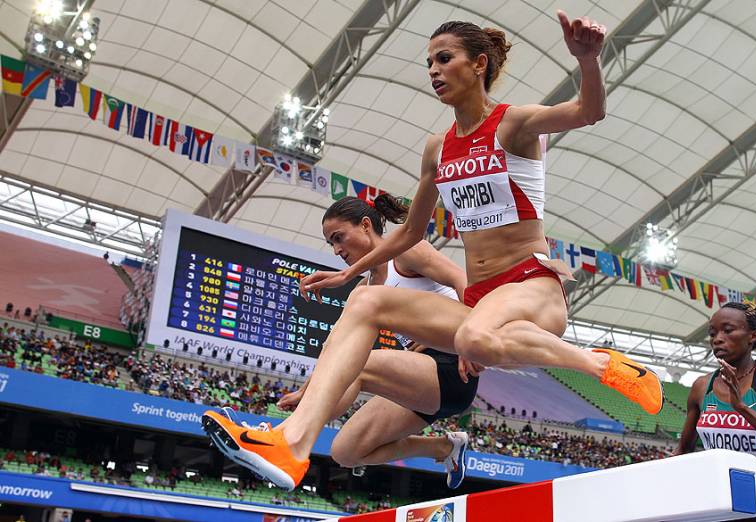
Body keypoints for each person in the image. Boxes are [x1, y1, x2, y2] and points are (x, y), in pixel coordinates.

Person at [203, 9, 662, 491]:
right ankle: (290, 446)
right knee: (367, 302)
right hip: (480, 301)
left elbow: (589, 112)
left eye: (445, 59)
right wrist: (348, 275)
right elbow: (406, 234)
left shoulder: (515, 124)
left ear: (479, 64)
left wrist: (588, 61)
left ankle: (601, 363)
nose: (434, 71)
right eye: (429, 63)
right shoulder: (436, 149)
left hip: (532, 285)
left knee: (471, 340)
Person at [207, 196, 477, 489]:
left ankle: (287, 441)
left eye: (339, 238)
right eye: (331, 244)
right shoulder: (366, 288)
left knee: (359, 367)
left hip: (454, 369)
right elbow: (337, 348)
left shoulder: (406, 250)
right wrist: (307, 391)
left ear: (364, 226)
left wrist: (470, 342)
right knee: (347, 452)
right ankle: (444, 448)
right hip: (421, 382)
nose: (337, 250)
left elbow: (463, 282)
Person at [675, 303, 756, 521]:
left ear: (752, 336)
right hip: (719, 497)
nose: (717, 338)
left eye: (727, 330)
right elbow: (683, 450)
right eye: (712, 333)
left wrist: (742, 409)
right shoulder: (701, 386)